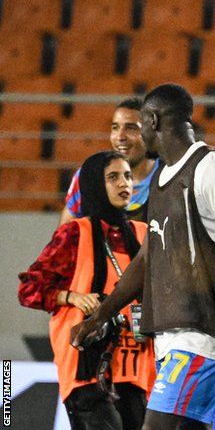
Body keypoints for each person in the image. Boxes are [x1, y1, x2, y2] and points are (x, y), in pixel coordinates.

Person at [71, 83, 215, 430]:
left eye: (140, 124)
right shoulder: (163, 175)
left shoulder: (211, 169)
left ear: (153, 120)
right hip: (172, 335)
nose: (139, 133)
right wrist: (100, 315)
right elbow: (146, 260)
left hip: (202, 336)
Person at [19, 151, 156, 430]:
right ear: (94, 184)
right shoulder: (73, 234)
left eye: (128, 176)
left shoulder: (144, 234)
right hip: (86, 369)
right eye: (113, 177)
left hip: (135, 368)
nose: (124, 184)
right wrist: (71, 297)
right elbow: (29, 288)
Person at [60, 98, 160, 226]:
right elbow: (63, 239)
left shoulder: (168, 176)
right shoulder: (89, 176)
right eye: (115, 127)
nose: (120, 137)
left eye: (131, 128)